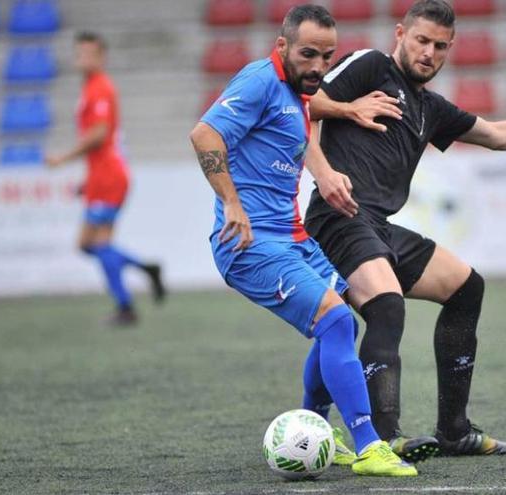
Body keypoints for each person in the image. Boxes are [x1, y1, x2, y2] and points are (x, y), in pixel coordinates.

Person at [304, 0, 506, 458]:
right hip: (337, 217)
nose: (429, 53)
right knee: (385, 304)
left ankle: (454, 430)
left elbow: (497, 135)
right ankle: (380, 438)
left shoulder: (429, 108)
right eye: (421, 40)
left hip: (376, 224)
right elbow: (300, 100)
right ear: (401, 34)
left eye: (440, 46)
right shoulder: (372, 66)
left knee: (465, 287)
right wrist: (346, 108)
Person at [190, 5, 420, 477]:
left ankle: (314, 428)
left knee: (342, 324)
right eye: (308, 54)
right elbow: (205, 133)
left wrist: (325, 168)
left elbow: (306, 122)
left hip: (292, 237)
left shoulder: (298, 92)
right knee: (335, 320)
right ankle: (369, 445)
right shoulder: (259, 80)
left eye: (327, 56)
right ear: (282, 47)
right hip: (249, 243)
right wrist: (231, 202)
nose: (318, 66)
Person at [47, 31, 165, 326]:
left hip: (110, 177)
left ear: (102, 57)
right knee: (90, 245)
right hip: (102, 176)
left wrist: (63, 158)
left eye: (89, 53)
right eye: (80, 53)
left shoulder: (100, 88)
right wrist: (87, 179)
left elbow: (100, 134)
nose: (83, 59)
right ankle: (146, 270)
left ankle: (126, 307)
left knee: (96, 244)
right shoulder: (90, 88)